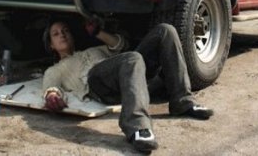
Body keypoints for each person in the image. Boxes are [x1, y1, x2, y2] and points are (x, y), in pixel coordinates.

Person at [42, 19, 214, 153]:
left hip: (130, 72)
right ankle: (137, 127)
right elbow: (50, 86)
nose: (62, 34)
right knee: (132, 58)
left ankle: (182, 101)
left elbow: (120, 45)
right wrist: (52, 96)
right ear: (51, 45)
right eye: (56, 34)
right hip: (99, 85)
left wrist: (98, 32)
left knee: (165, 30)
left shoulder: (92, 50)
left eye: (65, 31)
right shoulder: (56, 69)